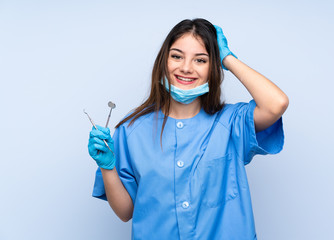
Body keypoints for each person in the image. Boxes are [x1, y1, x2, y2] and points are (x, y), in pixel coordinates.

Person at [88, 18, 289, 240]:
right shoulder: (131, 130)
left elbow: (276, 103)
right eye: (176, 56)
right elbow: (125, 212)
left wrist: (228, 59)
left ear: (213, 67)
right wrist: (107, 167)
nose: (186, 67)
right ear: (163, 61)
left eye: (200, 60)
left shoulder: (232, 122)